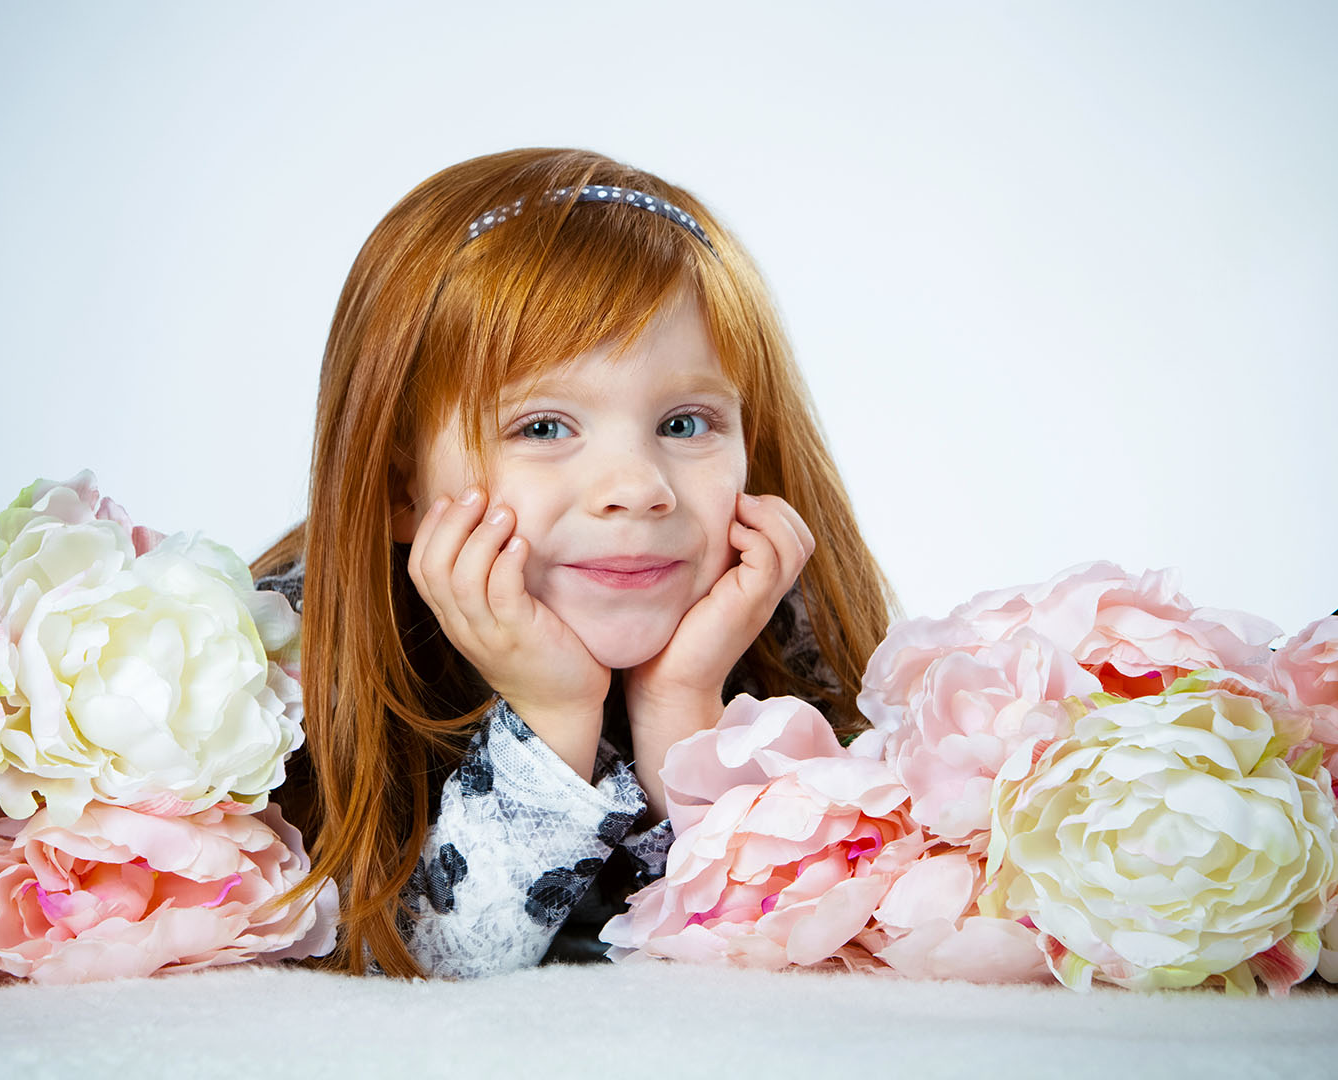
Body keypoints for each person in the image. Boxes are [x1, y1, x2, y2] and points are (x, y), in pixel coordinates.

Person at [252, 148, 896, 978]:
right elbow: (410, 977)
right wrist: (552, 715)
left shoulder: (776, 624)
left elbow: (805, 950)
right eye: (545, 428)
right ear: (402, 487)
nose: (638, 489)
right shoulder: (278, 671)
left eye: (687, 423)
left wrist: (683, 712)